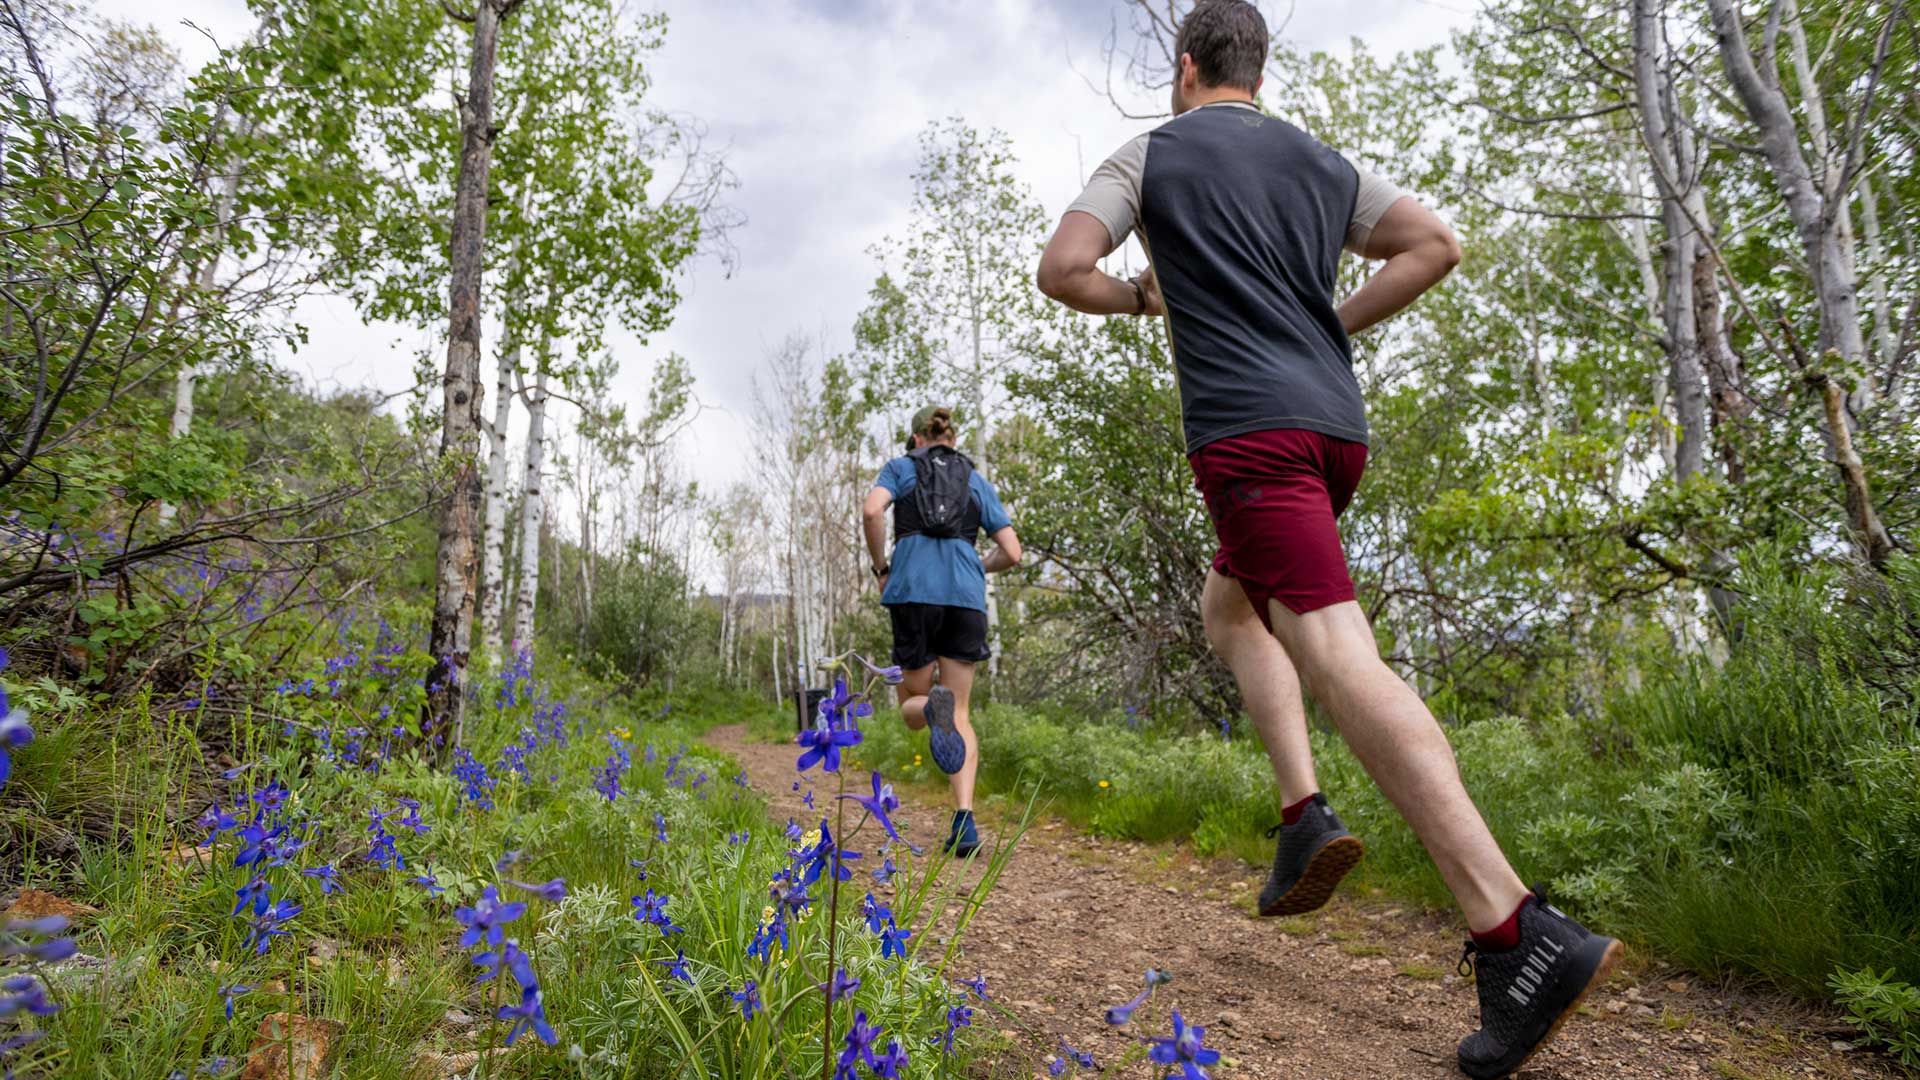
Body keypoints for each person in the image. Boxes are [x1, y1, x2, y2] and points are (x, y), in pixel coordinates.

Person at [1033, 3, 1619, 1076]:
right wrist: (1325, 328)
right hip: (1331, 431)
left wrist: (1141, 300)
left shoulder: (1153, 151)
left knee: (1340, 656)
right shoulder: (1319, 161)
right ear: (1256, 69)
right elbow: (1434, 243)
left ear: (1186, 66)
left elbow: (1063, 267)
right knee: (1231, 607)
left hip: (1251, 438)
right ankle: (1302, 812)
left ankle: (1515, 931)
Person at [861, 405, 1022, 858]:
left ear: (916, 439)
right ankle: (965, 821)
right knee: (962, 713)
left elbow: (873, 511)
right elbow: (1012, 550)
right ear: (951, 439)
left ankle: (932, 708)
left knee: (913, 707)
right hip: (965, 599)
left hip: (913, 594)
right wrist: (979, 565)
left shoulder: (901, 468)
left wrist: (880, 568)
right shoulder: (974, 478)